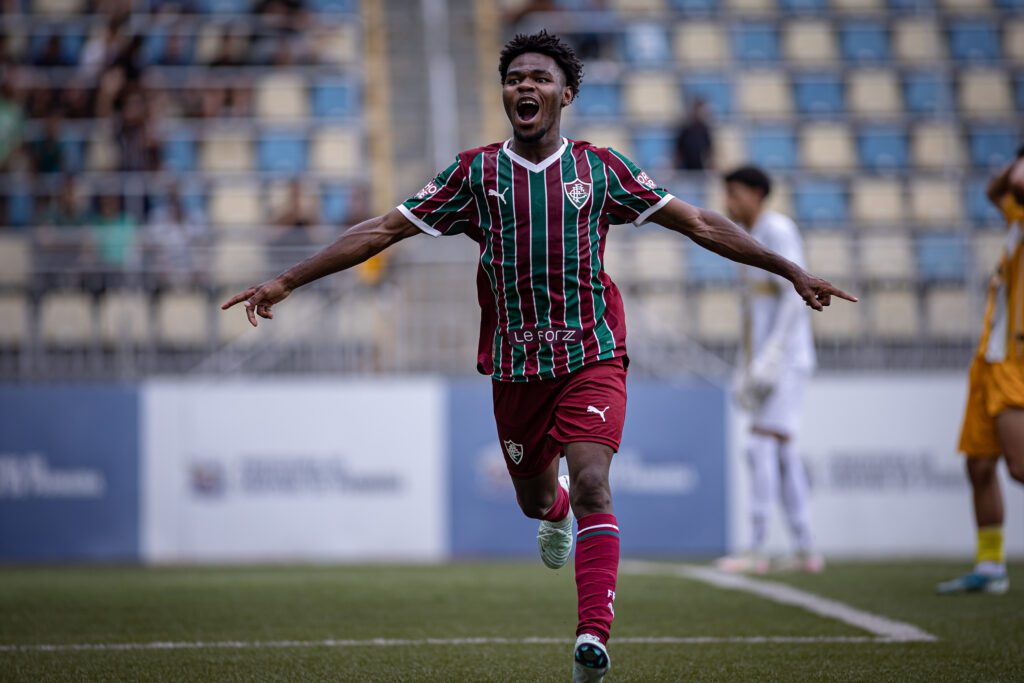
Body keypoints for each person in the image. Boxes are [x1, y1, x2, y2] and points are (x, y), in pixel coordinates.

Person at [223, 31, 854, 682]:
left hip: (592, 353)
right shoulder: (474, 174)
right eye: (515, 77)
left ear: (566, 94)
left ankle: (592, 638)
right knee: (538, 500)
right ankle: (548, 510)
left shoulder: (601, 169)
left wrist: (788, 270)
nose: (525, 86)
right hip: (517, 367)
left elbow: (697, 222)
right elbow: (384, 229)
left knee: (592, 483)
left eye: (540, 78)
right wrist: (287, 279)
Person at [713, 165, 823, 575]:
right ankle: (806, 548)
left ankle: (756, 548)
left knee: (759, 445)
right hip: (766, 361)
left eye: (735, 194)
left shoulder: (777, 230)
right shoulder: (749, 238)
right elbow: (752, 313)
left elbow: (796, 297)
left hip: (787, 360)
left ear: (757, 194)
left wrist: (773, 357)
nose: (728, 203)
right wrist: (747, 364)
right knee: (781, 451)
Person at [938, 147, 1024, 595]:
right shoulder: (1016, 220)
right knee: (979, 466)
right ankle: (991, 567)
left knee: (1018, 467)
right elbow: (998, 190)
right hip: (990, 359)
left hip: (1017, 362)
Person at [673, 98, 713, 172]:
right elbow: (679, 151)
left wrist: (710, 164)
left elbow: (709, 150)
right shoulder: (685, 130)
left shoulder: (705, 130)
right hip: (686, 168)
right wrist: (675, 166)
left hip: (701, 169)